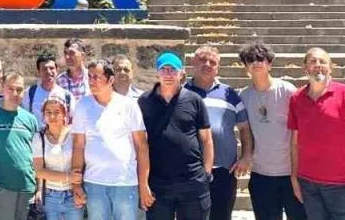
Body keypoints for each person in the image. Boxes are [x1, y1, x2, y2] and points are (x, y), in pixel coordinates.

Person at [288, 48, 345, 220]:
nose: (318, 65)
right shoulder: (296, 99)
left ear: (330, 68)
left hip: (341, 184)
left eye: (323, 61)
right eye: (313, 61)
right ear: (305, 68)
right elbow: (294, 143)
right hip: (308, 184)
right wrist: (294, 177)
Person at [70, 59, 149, 220]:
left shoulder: (129, 105)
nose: (91, 81)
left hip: (125, 183)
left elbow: (141, 146)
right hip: (94, 183)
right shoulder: (83, 105)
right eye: (89, 76)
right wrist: (76, 184)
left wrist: (143, 185)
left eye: (97, 77)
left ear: (110, 80)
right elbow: (78, 145)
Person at [139, 52, 213, 220]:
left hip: (192, 180)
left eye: (172, 70)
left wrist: (206, 173)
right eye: (163, 69)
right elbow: (140, 143)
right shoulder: (144, 102)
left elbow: (207, 139)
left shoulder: (194, 100)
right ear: (157, 73)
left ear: (181, 73)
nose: (168, 74)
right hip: (158, 182)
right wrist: (143, 184)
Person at [237, 43, 305, 220]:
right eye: (251, 60)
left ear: (270, 64)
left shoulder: (288, 91)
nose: (256, 63)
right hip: (262, 174)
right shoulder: (244, 96)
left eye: (261, 59)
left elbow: (303, 126)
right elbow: (245, 130)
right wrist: (246, 154)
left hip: (292, 173)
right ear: (245, 66)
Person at [184, 47, 252, 220]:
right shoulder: (181, 92)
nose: (207, 64)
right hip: (190, 169)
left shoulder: (230, 94)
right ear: (193, 62)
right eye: (203, 60)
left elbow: (244, 128)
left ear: (218, 68)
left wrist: (245, 156)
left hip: (224, 170)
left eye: (212, 62)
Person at [0, 73, 40, 220]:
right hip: (1, 187)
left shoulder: (30, 119)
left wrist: (39, 187)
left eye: (19, 90)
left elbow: (38, 155)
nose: (15, 93)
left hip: (27, 187)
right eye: (11, 89)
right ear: (2, 88)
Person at [32, 95, 82, 220]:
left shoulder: (74, 134)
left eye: (57, 112)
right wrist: (68, 177)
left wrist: (77, 185)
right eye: (48, 112)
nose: (52, 116)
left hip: (73, 194)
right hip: (50, 196)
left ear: (65, 114)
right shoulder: (39, 138)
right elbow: (38, 171)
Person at [24, 53, 73, 127]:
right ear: (38, 72)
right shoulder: (29, 93)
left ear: (57, 70)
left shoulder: (67, 96)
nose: (48, 72)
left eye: (51, 68)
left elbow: (73, 122)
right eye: (44, 69)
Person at [57, 39, 89, 103]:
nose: (67, 57)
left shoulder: (91, 77)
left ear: (82, 55)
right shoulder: (59, 80)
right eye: (65, 53)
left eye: (71, 53)